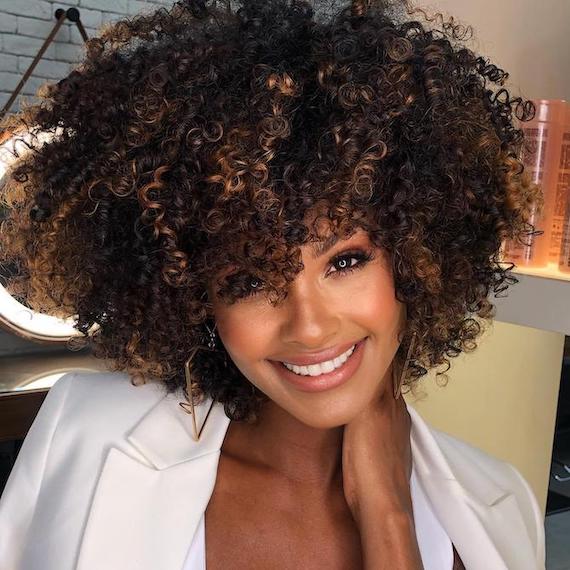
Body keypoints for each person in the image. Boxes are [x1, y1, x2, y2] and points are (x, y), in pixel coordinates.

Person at [0, 0, 546, 568]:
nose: (309, 326)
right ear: (192, 294)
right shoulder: (82, 433)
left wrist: (388, 516)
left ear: (416, 256)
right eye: (250, 280)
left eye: (344, 262)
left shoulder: (500, 507)